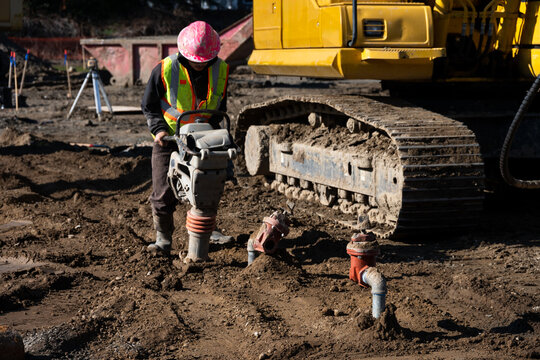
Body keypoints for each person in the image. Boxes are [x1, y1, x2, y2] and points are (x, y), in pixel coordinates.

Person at [141, 21, 229, 255]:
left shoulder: (221, 69)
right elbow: (149, 105)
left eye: (204, 62)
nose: (200, 66)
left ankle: (208, 230)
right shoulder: (165, 69)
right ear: (183, 53)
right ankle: (163, 240)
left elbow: (221, 105)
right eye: (195, 62)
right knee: (162, 192)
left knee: (207, 188)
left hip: (204, 139)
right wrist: (158, 130)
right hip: (169, 138)